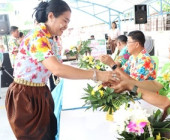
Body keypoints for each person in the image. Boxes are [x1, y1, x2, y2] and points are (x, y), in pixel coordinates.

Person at [5, 1, 119, 140]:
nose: (66, 26)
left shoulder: (52, 38)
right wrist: (96, 74)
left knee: (49, 133)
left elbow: (61, 66)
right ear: (51, 16)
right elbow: (57, 69)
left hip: (41, 91)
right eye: (65, 20)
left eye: (68, 22)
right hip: (25, 95)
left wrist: (94, 73)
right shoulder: (37, 36)